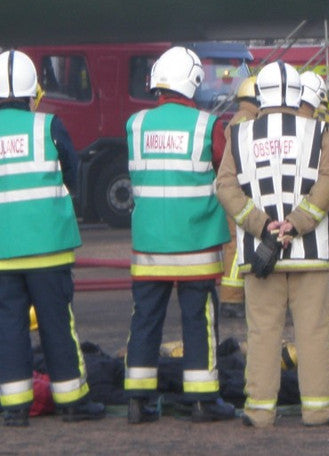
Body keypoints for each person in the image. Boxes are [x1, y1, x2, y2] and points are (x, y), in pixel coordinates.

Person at [0, 49, 105, 427]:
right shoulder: (48, 127)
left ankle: (15, 409)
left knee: (7, 329)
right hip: (47, 251)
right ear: (32, 93)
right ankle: (72, 402)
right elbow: (72, 174)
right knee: (57, 324)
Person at [216, 61, 329, 428]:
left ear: (260, 94)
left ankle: (259, 411)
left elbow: (226, 187)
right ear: (297, 94)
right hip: (310, 255)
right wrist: (297, 223)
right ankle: (318, 411)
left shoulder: (238, 134)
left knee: (262, 332)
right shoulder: (319, 131)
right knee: (315, 332)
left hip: (260, 254)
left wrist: (262, 225)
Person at [124, 46, 236, 424]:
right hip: (196, 245)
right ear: (193, 82)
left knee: (145, 320)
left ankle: (138, 402)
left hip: (150, 246)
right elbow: (226, 172)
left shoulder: (135, 125)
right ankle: (203, 401)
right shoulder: (208, 125)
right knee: (198, 321)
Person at [220, 75, 260, 317]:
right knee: (237, 245)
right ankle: (232, 299)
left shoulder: (238, 118)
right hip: (240, 191)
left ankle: (233, 296)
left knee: (235, 244)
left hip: (233, 190)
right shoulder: (248, 122)